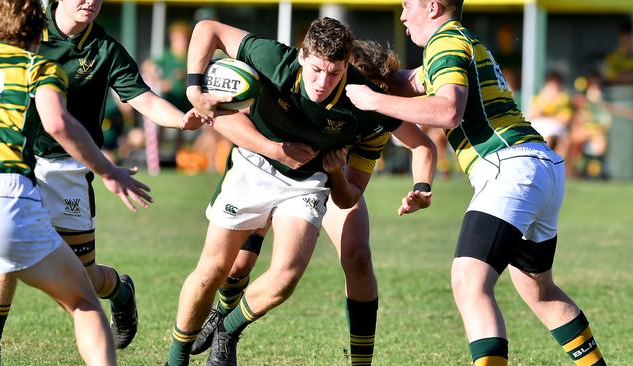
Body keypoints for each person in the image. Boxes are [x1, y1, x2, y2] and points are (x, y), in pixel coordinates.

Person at [345, 1, 606, 365]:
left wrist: (373, 100)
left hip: (509, 168)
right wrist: (356, 78)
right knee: (538, 288)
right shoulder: (461, 41)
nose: (402, 15)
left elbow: (448, 110)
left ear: (433, 6)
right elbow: (412, 82)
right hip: (540, 166)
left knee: (470, 282)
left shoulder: (443, 43)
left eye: (407, 5)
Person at [165, 17, 430, 366]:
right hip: (254, 164)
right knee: (217, 269)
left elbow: (413, 151)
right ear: (303, 57)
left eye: (334, 73)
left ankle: (228, 330)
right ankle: (175, 358)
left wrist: (344, 173)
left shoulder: (365, 105)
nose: (323, 82)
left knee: (289, 275)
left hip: (308, 181)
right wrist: (194, 88)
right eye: (317, 70)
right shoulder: (275, 59)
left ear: (347, 68)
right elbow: (205, 29)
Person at [0, 0, 204, 357]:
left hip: (70, 170)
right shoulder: (25, 30)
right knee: (3, 256)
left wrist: (181, 120)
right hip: (19, 163)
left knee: (84, 279)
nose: (89, 1)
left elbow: (143, 100)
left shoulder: (104, 48)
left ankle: (119, 290)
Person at [529, 71, 574, 158]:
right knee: (545, 139)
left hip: (557, 130)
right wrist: (545, 100)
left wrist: (546, 117)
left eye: (556, 84)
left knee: (562, 141)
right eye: (551, 84)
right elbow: (533, 116)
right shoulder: (539, 98)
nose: (553, 87)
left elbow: (564, 120)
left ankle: (555, 166)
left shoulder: (563, 99)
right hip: (540, 127)